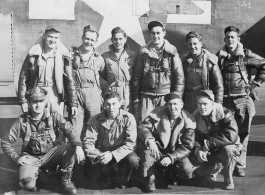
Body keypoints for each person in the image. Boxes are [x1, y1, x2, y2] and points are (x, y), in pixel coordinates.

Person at [1, 87, 85, 195]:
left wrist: (78, 146)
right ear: (29, 102)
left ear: (44, 102)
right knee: (26, 185)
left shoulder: (54, 116)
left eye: (40, 101)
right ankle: (41, 175)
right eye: (34, 101)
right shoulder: (22, 121)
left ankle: (65, 180)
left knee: (71, 146)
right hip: (31, 158)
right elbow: (5, 141)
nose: (38, 105)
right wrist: (17, 158)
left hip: (51, 156)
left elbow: (70, 131)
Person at [217, 26, 265, 177]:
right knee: (226, 133)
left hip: (243, 100)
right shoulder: (219, 56)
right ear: (224, 39)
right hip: (225, 102)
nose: (230, 40)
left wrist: (254, 84)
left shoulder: (246, 55)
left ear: (238, 39)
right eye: (228, 37)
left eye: (233, 37)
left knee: (243, 134)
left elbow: (264, 65)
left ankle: (240, 164)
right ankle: (227, 163)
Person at [137, 93, 195, 192]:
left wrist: (171, 157)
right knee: (146, 157)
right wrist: (150, 140)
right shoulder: (157, 114)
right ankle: (150, 178)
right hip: (157, 149)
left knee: (187, 170)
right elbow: (143, 127)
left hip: (175, 152)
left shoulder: (189, 121)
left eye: (175, 104)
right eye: (170, 104)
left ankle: (172, 174)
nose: (173, 107)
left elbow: (187, 147)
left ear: (181, 105)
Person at [82, 91, 139, 189]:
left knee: (133, 160)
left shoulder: (129, 118)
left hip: (122, 153)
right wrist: (98, 155)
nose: (111, 108)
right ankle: (105, 175)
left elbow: (131, 144)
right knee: (86, 163)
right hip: (102, 153)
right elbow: (88, 142)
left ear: (120, 104)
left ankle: (122, 180)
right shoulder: (95, 119)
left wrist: (112, 155)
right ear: (103, 105)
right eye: (108, 104)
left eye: (114, 104)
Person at [18, 25, 78, 117]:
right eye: (50, 36)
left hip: (55, 93)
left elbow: (71, 81)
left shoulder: (63, 56)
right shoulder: (33, 55)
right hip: (37, 92)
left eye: (56, 37)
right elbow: (23, 78)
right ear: (44, 36)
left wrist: (73, 103)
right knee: (37, 123)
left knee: (57, 122)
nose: (52, 40)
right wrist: (23, 101)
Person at [132, 21, 185, 123]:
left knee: (163, 126)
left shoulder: (172, 53)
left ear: (164, 33)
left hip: (165, 97)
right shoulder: (143, 52)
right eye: (153, 33)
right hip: (146, 96)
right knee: (144, 125)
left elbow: (179, 78)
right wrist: (136, 99)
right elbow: (136, 78)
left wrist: (176, 99)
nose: (155, 36)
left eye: (158, 33)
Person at [192, 90, 241, 190]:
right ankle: (213, 169)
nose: (202, 107)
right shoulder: (195, 115)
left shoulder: (225, 113)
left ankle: (228, 179)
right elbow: (193, 137)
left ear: (212, 103)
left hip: (222, 148)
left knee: (230, 151)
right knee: (191, 173)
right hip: (206, 151)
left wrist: (208, 144)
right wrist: (198, 150)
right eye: (199, 104)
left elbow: (230, 136)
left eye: (205, 104)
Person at [70, 25, 106, 138]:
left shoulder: (99, 59)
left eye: (92, 40)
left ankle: (91, 154)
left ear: (96, 41)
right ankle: (75, 153)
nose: (89, 42)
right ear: (82, 37)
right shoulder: (71, 56)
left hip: (93, 94)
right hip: (76, 94)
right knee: (75, 128)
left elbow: (106, 77)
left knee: (93, 127)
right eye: (87, 38)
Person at [181, 31, 223, 113]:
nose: (192, 47)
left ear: (201, 44)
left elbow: (219, 85)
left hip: (203, 98)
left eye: (195, 44)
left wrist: (218, 104)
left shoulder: (210, 62)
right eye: (190, 44)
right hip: (187, 98)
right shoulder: (184, 61)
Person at [102, 27, 136, 113]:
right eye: (115, 39)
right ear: (112, 40)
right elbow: (103, 74)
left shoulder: (132, 55)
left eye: (120, 39)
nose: (118, 42)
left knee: (126, 117)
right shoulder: (105, 56)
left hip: (127, 91)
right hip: (112, 90)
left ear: (125, 39)